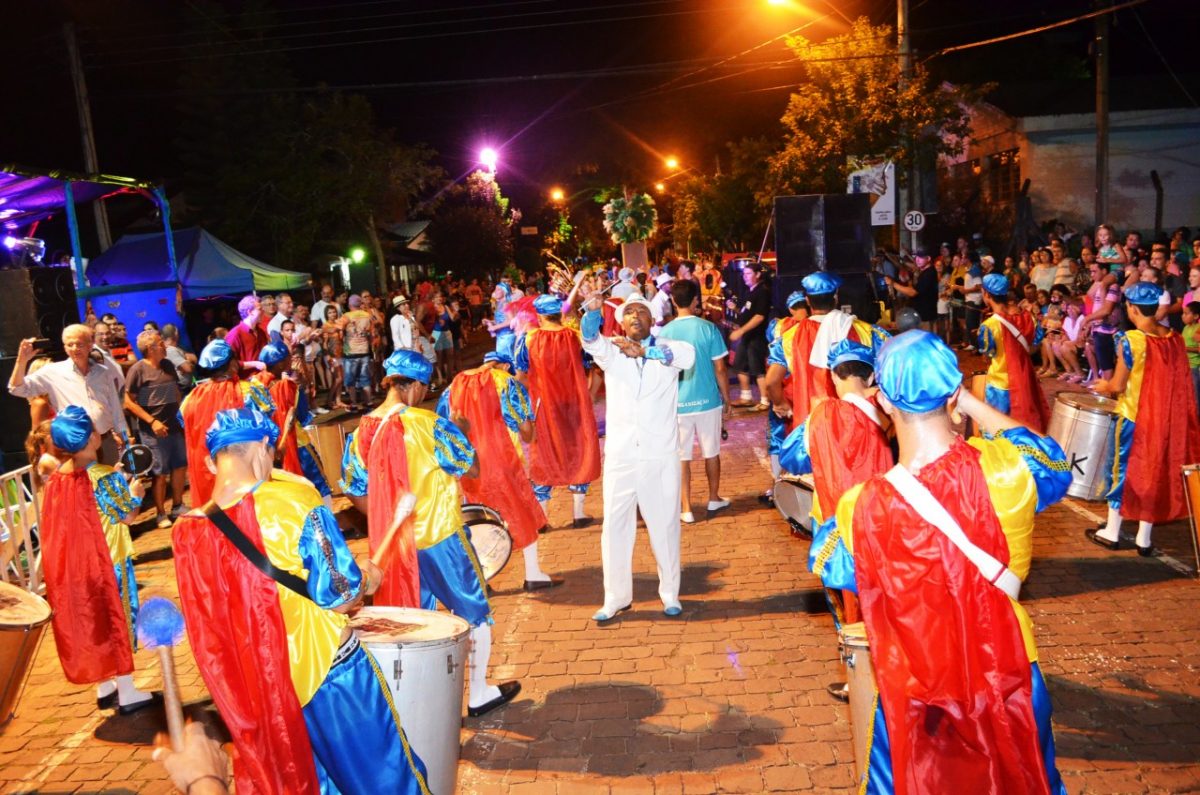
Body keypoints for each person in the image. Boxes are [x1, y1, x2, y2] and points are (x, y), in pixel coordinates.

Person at [834, 330, 1071, 794]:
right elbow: (1054, 464)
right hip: (1010, 676)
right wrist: (972, 403)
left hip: (918, 687)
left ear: (882, 400)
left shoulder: (860, 506)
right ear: (953, 393)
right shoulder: (1010, 471)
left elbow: (836, 568)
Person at [172, 408, 431, 793]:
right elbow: (343, 596)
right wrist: (370, 574)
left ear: (211, 461)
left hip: (264, 691)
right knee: (387, 779)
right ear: (264, 446)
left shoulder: (188, 531)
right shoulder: (293, 501)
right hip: (329, 673)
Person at [341, 350, 521, 718]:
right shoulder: (429, 424)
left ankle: (426, 703)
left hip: (395, 548)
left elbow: (354, 491)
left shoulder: (360, 433)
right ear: (417, 386)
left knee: (415, 624)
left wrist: (389, 517)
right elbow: (471, 467)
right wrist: (464, 432)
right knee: (474, 611)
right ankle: (480, 693)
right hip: (441, 538)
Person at [580, 295, 696, 622]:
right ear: (621, 320)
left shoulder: (671, 348)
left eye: (641, 311)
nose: (634, 317)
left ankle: (670, 594)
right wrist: (591, 314)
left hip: (659, 455)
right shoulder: (613, 352)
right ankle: (615, 598)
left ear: (652, 318)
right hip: (621, 456)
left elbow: (686, 358)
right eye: (628, 312)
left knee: (665, 526)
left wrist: (646, 352)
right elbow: (591, 341)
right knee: (614, 528)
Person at [40, 405, 156, 714]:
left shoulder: (58, 479)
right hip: (110, 564)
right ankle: (128, 691)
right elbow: (127, 516)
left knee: (94, 623)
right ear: (93, 437)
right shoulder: (105, 477)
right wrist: (136, 492)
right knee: (119, 621)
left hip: (79, 567)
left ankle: (105, 687)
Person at [779, 339, 892, 627]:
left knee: (850, 610)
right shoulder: (892, 408)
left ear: (833, 375)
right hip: (884, 522)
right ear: (870, 376)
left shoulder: (822, 414)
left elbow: (791, 457)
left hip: (836, 525)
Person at [437, 336, 561, 590]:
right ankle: (533, 573)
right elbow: (526, 431)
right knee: (521, 513)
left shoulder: (453, 386)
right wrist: (532, 425)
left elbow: (442, 426)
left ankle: (483, 581)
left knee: (476, 519)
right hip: (501, 461)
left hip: (468, 466)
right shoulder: (506, 383)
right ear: (505, 365)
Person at [1087, 282, 1200, 555]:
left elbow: (1116, 385)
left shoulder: (1131, 340)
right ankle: (1143, 539)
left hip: (1133, 417)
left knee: (1121, 470)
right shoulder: (1173, 337)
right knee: (1154, 472)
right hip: (1163, 419)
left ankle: (1112, 531)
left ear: (1132, 308)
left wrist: (1102, 386)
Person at [514, 294, 602, 527]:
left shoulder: (528, 339)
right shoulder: (575, 337)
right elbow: (592, 367)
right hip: (575, 404)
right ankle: (578, 513)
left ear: (540, 315)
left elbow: (520, 375)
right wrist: (591, 394)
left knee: (543, 453)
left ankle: (542, 519)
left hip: (544, 405)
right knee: (579, 450)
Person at [763, 272, 888, 427]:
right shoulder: (866, 331)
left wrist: (780, 403)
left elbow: (771, 381)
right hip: (855, 423)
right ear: (836, 297)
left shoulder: (789, 338)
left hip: (811, 425)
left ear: (807, 300)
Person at [657, 279, 731, 523]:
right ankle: (713, 498)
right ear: (695, 300)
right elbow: (720, 367)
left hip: (677, 403)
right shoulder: (708, 328)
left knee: (681, 457)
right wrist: (727, 398)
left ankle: (686, 508)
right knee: (712, 452)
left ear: (673, 302)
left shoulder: (665, 333)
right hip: (707, 400)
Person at [8, 325, 129, 464]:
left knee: (110, 483)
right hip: (77, 446)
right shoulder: (53, 372)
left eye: (79, 344)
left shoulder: (103, 372)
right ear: (65, 348)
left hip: (105, 440)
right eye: (70, 344)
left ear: (90, 345)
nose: (75, 348)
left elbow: (115, 409)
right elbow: (16, 388)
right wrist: (21, 360)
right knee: (83, 485)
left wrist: (125, 439)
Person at [179, 340, 272, 506]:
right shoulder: (251, 391)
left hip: (206, 469)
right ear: (232, 366)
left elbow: (182, 423)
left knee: (216, 518)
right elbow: (269, 423)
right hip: (244, 468)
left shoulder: (190, 398)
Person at [256, 340, 335, 510]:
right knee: (317, 481)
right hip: (296, 444)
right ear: (282, 363)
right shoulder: (289, 387)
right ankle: (328, 522)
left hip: (266, 448)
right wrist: (302, 386)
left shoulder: (254, 386)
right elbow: (302, 416)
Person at [123, 330, 188, 527]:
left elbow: (175, 391)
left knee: (179, 467)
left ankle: (178, 505)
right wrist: (152, 422)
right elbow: (128, 402)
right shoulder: (137, 370)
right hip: (152, 431)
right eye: (161, 343)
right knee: (159, 473)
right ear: (151, 349)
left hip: (174, 426)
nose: (165, 346)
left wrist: (180, 414)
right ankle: (161, 513)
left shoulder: (168, 365)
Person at [978, 273, 1051, 432]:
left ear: (986, 294)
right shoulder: (1029, 318)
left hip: (999, 384)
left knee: (996, 430)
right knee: (1023, 428)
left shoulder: (989, 326)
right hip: (1025, 380)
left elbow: (987, 356)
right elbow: (1035, 345)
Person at [760, 290, 809, 506]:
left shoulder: (779, 327)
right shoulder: (820, 326)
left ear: (790, 308)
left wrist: (777, 400)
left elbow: (772, 370)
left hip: (783, 393)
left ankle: (779, 487)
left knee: (778, 440)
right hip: (808, 392)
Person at [728, 260, 772, 409]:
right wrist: (734, 309)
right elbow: (746, 312)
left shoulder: (763, 291)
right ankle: (746, 397)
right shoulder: (749, 292)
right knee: (740, 365)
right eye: (744, 274)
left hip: (757, 336)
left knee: (758, 369)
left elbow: (759, 316)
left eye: (748, 273)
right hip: (747, 336)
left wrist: (741, 330)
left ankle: (765, 400)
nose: (745, 277)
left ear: (758, 274)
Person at [335, 294, 375, 410]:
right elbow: (372, 333)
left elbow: (337, 327)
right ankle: (369, 402)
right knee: (365, 379)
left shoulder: (347, 316)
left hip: (350, 352)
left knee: (350, 380)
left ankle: (353, 404)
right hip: (364, 351)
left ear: (350, 304)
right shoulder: (368, 315)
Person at [224, 295, 268, 378]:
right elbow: (229, 363)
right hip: (245, 384)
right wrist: (254, 364)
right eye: (260, 309)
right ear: (250, 312)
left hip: (263, 379)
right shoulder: (235, 334)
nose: (263, 311)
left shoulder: (261, 332)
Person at [161, 323, 196, 394]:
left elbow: (194, 358)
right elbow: (188, 368)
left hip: (185, 388)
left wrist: (187, 362)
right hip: (183, 390)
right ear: (176, 334)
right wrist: (189, 363)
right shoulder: (171, 350)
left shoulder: (175, 348)